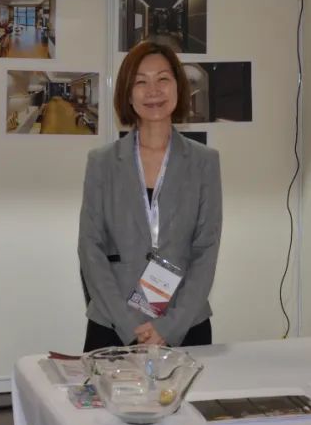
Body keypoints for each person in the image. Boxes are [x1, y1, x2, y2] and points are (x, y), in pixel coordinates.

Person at [78, 40, 222, 351]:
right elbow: (90, 249)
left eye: (163, 79)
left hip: (185, 325)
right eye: (140, 82)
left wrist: (169, 327)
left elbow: (206, 251)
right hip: (113, 325)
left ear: (178, 87)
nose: (153, 91)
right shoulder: (102, 162)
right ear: (128, 94)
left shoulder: (205, 162)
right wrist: (129, 325)